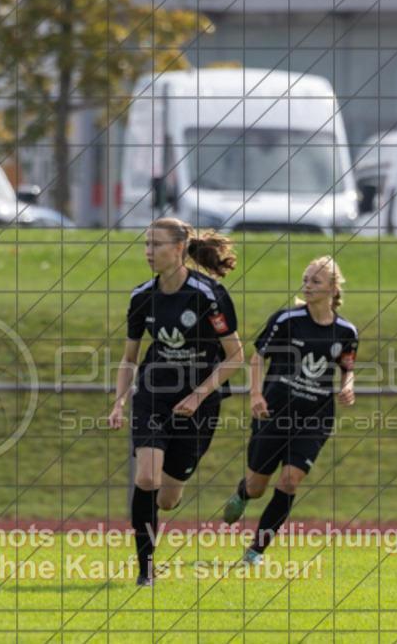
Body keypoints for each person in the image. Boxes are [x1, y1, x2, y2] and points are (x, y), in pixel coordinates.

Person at [109, 217, 244, 587]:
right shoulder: (141, 297)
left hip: (199, 405)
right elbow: (129, 358)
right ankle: (145, 570)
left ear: (180, 248)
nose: (149, 252)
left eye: (157, 244)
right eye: (146, 244)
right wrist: (120, 401)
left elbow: (236, 356)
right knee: (147, 477)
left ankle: (152, 545)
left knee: (167, 499)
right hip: (152, 396)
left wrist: (198, 395)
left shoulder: (208, 295)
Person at [222, 255, 358, 565]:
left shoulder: (347, 331)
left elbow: (347, 366)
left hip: (315, 418)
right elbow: (258, 357)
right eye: (306, 279)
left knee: (290, 481)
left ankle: (255, 552)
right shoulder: (286, 320)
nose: (307, 286)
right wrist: (256, 395)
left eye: (316, 281)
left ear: (333, 289)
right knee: (258, 486)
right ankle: (243, 495)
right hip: (274, 412)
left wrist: (348, 385)